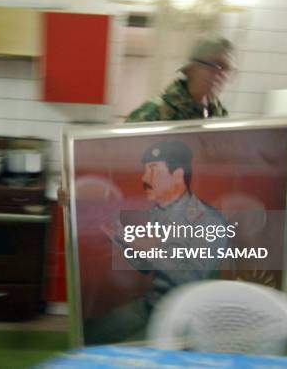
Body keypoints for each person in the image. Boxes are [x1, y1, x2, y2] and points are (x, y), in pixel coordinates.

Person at [84, 141, 228, 345]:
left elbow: (191, 279)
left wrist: (150, 249)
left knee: (125, 353)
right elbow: (146, 268)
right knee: (90, 334)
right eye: (145, 170)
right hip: (155, 304)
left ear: (177, 175)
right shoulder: (159, 213)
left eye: (153, 170)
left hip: (186, 318)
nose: (144, 178)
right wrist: (121, 239)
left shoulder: (208, 220)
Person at [126, 34, 234, 122]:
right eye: (216, 65)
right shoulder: (155, 112)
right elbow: (123, 146)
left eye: (226, 69)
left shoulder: (218, 113)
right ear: (192, 68)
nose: (221, 74)